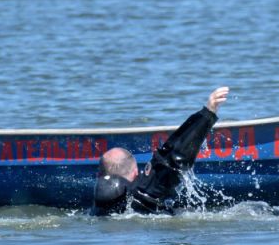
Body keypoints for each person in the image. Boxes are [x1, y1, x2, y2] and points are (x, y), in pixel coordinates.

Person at [92, 87, 230, 215]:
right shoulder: (145, 190)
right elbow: (174, 157)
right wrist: (207, 113)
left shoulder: (99, 205)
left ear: (99, 175)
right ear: (135, 173)